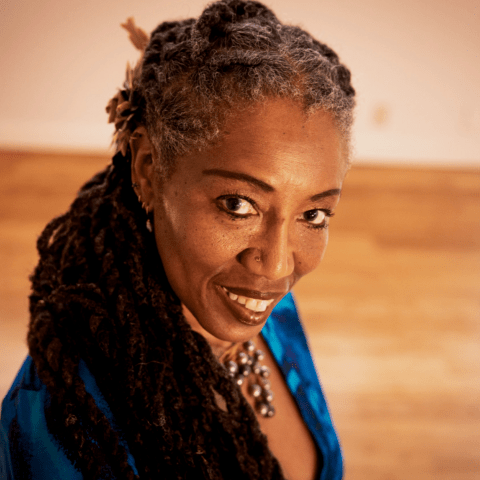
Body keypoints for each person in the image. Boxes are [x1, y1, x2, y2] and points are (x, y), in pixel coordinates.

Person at [0, 1, 355, 479]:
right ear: (148, 170)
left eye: (313, 214)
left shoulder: (262, 308)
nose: (276, 267)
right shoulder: (63, 427)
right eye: (237, 204)